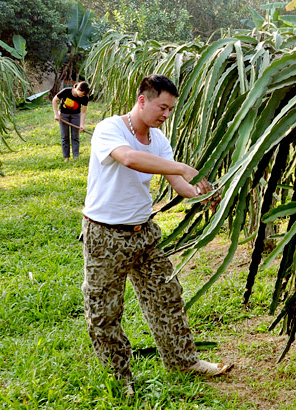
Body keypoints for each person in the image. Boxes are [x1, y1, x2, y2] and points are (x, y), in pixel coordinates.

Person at [80, 74, 231, 395]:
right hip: (105, 235)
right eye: (162, 107)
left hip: (144, 232)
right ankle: (119, 378)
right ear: (142, 100)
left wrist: (203, 191)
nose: (165, 114)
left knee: (167, 298)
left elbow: (181, 186)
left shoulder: (159, 141)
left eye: (170, 109)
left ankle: (183, 361)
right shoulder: (111, 129)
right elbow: (130, 159)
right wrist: (182, 167)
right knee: (105, 311)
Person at [53, 81, 90, 161]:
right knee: (65, 136)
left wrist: (82, 125)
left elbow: (83, 112)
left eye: (84, 94)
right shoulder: (66, 91)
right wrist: (56, 114)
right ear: (77, 88)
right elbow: (54, 100)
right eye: (82, 93)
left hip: (75, 116)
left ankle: (76, 157)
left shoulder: (84, 98)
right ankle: (66, 157)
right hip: (64, 115)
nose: (82, 95)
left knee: (75, 136)